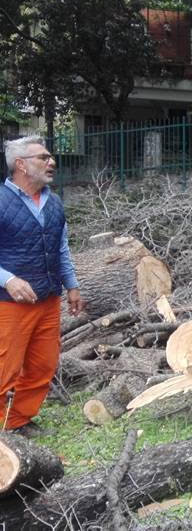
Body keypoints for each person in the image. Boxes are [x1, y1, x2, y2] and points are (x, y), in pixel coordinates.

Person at [0, 135, 84, 437]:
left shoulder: (54, 201)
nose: (52, 162)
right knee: (3, 369)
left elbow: (61, 248)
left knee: (42, 366)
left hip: (48, 299)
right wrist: (7, 279)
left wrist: (71, 285)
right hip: (8, 304)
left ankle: (17, 422)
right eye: (43, 157)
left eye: (50, 157)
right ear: (20, 165)